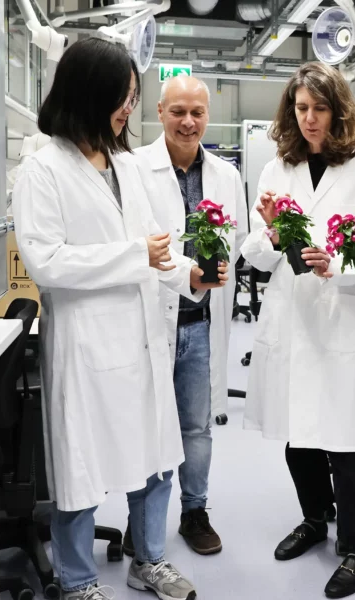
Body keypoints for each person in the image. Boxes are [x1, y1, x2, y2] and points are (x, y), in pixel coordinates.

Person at [12, 38, 226, 600]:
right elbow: (47, 262)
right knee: (80, 467)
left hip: (143, 338)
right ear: (88, 95)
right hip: (87, 343)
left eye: (132, 97)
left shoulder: (126, 166)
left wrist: (190, 277)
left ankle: (148, 560)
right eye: (121, 97)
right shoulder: (42, 170)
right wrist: (138, 257)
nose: (127, 109)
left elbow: (160, 244)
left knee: (155, 457)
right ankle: (78, 579)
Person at [239, 62, 355, 599]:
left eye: (320, 108)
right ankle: (313, 520)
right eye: (301, 108)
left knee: (345, 442)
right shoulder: (277, 168)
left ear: (339, 110)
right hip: (290, 314)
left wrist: (337, 265)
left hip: (339, 316)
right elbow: (252, 252)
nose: (309, 119)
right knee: (295, 434)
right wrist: (277, 236)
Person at [131, 74, 247, 558]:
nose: (188, 121)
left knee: (196, 428)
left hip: (199, 323)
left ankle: (194, 513)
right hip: (149, 322)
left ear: (207, 116)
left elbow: (236, 239)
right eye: (178, 111)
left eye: (197, 112)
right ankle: (146, 526)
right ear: (159, 113)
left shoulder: (226, 174)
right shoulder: (133, 168)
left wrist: (216, 268)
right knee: (148, 427)